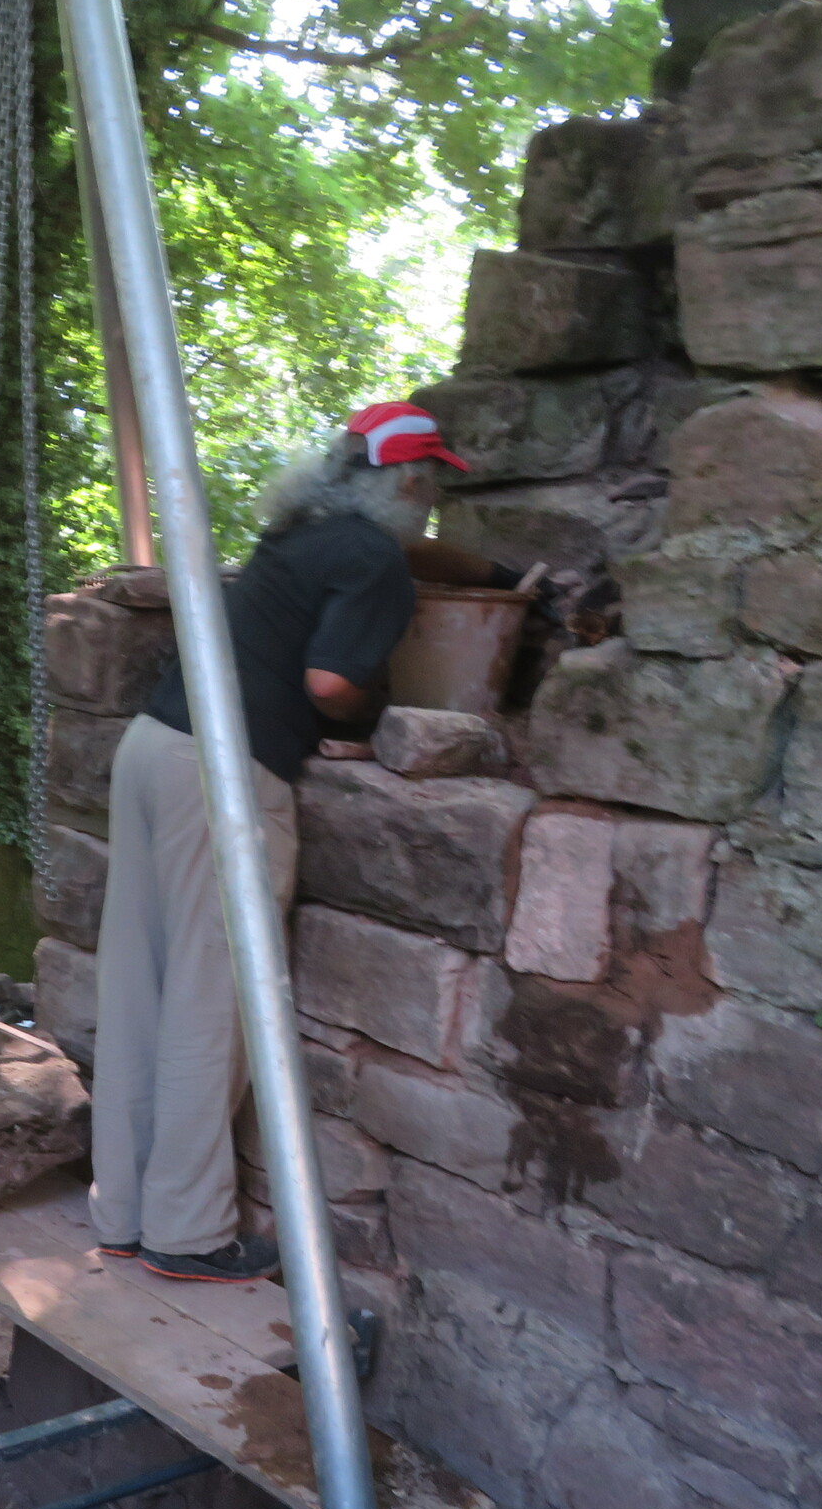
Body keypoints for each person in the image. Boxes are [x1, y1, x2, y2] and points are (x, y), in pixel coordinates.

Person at [88, 401, 510, 1284]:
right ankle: (187, 1233)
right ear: (408, 482)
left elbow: (414, 561)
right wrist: (369, 711)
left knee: (138, 985)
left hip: (153, 746)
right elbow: (329, 682)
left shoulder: (303, 533)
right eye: (431, 483)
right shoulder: (373, 560)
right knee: (214, 999)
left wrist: (495, 570)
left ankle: (121, 1213)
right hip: (223, 775)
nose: (433, 500)